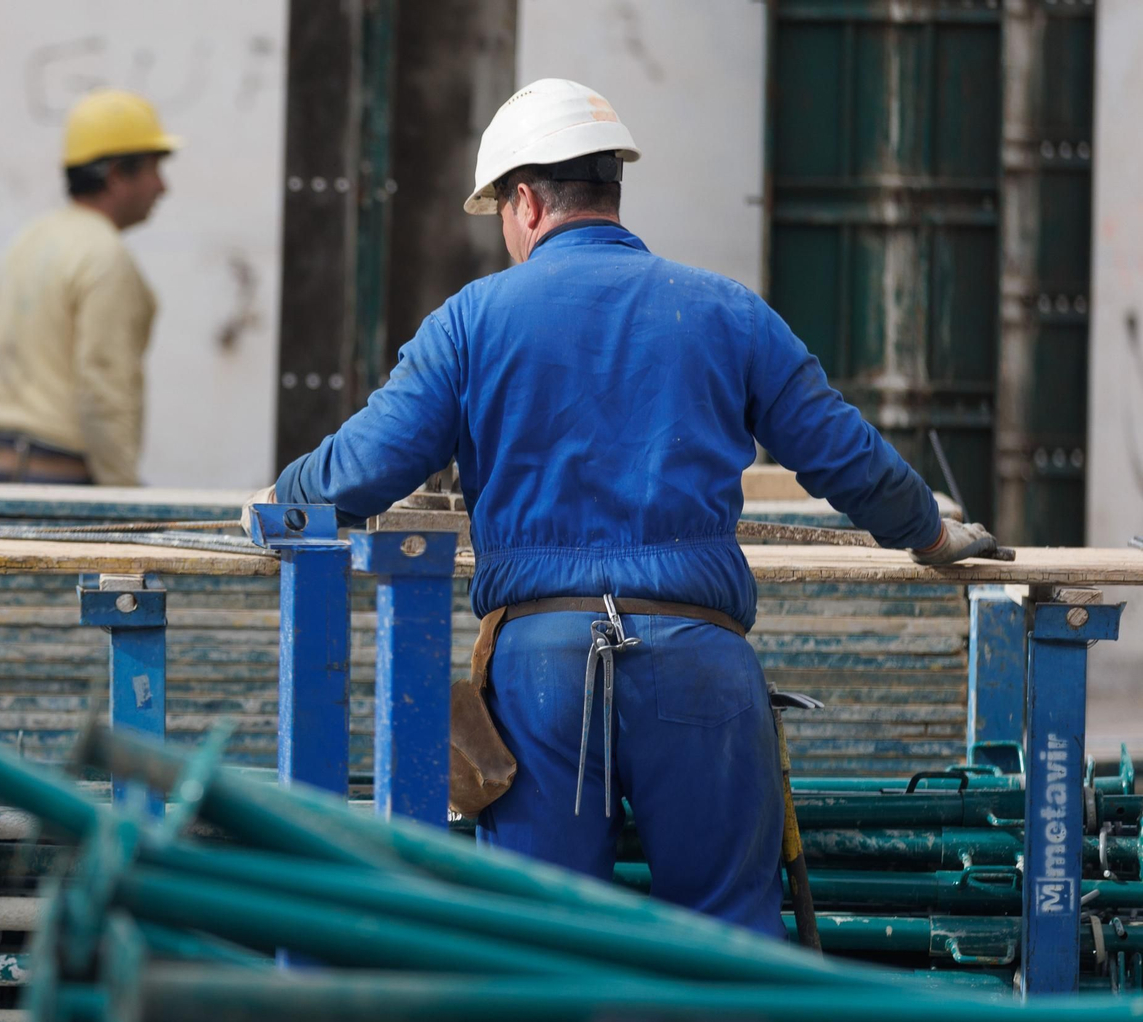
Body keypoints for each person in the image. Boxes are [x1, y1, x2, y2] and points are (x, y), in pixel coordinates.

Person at [251, 78, 998, 935]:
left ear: (525, 202)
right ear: (611, 190)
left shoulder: (470, 322)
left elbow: (366, 468)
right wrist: (932, 533)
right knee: (725, 938)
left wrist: (286, 493)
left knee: (550, 942)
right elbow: (848, 456)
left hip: (540, 672)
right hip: (700, 664)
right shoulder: (727, 313)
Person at [0, 89, 178, 485]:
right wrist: (125, 499)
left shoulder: (30, 239)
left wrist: (33, 385)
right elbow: (105, 392)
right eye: (154, 168)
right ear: (117, 175)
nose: (161, 187)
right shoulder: (106, 258)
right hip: (60, 488)